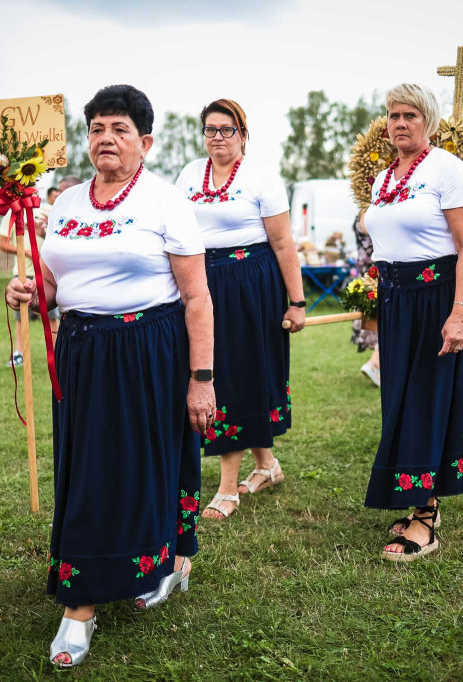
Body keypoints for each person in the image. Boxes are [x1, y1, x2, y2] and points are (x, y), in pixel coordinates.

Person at [6, 85, 215, 667]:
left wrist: (202, 377)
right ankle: (91, 591)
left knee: (151, 460)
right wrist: (27, 290)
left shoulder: (165, 201)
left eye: (120, 129)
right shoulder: (68, 204)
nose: (106, 138)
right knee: (90, 468)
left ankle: (152, 569)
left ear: (145, 142)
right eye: (97, 127)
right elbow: (52, 285)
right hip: (81, 350)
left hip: (149, 346)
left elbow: (198, 298)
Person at [362, 84, 463, 561]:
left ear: (427, 121)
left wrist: (457, 314)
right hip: (396, 302)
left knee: (427, 402)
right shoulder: (383, 178)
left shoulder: (448, 170)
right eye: (392, 115)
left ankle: (426, 519)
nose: (400, 123)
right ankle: (415, 500)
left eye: (410, 114)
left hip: (436, 300)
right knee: (400, 401)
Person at [175, 98, 305, 520]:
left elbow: (283, 243)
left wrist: (298, 301)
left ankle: (227, 488)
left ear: (243, 134)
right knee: (217, 372)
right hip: (203, 284)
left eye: (226, 129)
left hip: (252, 285)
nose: (217, 137)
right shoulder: (189, 175)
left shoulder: (261, 177)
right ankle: (267, 465)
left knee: (238, 376)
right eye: (210, 129)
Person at [0, 191, 59, 367]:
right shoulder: (14, 211)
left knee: (52, 316)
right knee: (21, 316)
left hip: (46, 272)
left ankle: (57, 353)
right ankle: (19, 353)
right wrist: (24, 252)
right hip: (24, 272)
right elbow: (3, 244)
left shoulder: (48, 210)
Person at [351, 210, 380, 386]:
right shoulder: (371, 212)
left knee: (376, 321)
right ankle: (375, 364)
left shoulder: (360, 212)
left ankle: (378, 365)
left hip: (366, 272)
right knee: (381, 321)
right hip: (374, 274)